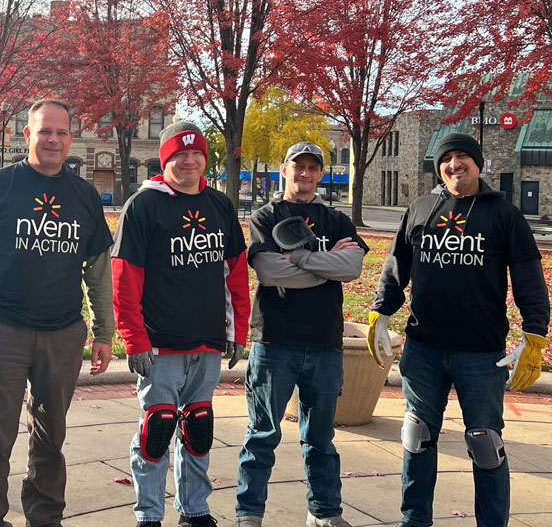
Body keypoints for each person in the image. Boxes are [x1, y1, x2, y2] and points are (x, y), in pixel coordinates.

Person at [369, 132, 550, 527]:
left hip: (482, 354)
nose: (455, 164)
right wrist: (381, 312)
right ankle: (414, 520)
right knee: (417, 439)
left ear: (479, 163)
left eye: (463, 156)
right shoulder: (419, 208)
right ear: (439, 166)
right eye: (447, 157)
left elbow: (528, 278)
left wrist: (534, 333)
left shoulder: (504, 214)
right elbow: (397, 266)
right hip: (424, 348)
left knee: (486, 444)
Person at [0, 98, 114, 527]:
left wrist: (103, 331)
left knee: (51, 439)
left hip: (63, 334)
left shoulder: (84, 195)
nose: (52, 139)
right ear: (26, 134)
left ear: (71, 138)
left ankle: (45, 517)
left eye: (61, 132)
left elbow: (98, 269)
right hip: (2, 329)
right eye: (44, 131)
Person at [112, 121, 250, 527]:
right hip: (160, 343)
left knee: (199, 428)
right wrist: (134, 339)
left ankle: (194, 509)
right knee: (157, 430)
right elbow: (124, 278)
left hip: (206, 339)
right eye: (178, 155)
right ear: (165, 159)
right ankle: (149, 514)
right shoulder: (144, 205)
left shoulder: (220, 205)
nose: (188, 161)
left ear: (204, 158)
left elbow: (236, 274)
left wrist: (236, 330)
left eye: (195, 154)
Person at [235, 141, 368, 527]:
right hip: (275, 340)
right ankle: (249, 513)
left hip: (325, 342)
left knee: (321, 439)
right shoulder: (265, 216)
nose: (305, 173)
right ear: (284, 170)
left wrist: (300, 259)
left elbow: (353, 267)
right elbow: (269, 272)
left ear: (321, 174)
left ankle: (324, 512)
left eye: (312, 167)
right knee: (262, 434)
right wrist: (326, 266)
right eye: (298, 166)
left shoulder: (338, 221)